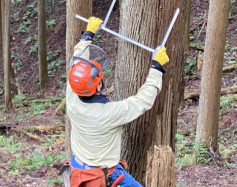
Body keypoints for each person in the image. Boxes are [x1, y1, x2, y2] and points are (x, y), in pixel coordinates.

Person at [64, 16, 169, 187]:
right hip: (102, 176)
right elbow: (142, 101)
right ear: (98, 88)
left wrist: (87, 36)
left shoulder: (72, 96)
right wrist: (157, 68)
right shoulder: (109, 113)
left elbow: (75, 62)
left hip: (78, 169)